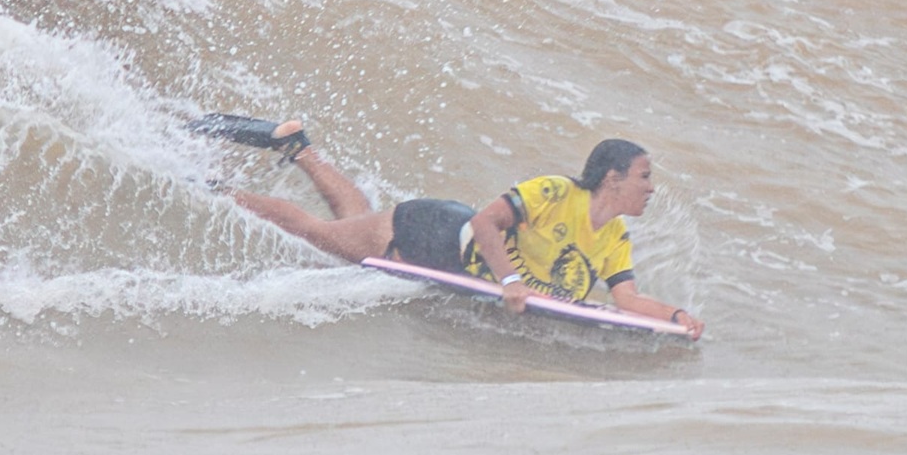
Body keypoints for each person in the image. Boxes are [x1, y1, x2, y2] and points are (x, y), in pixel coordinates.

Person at [190, 113, 705, 340]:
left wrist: (676, 315)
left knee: (357, 219)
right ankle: (212, 187)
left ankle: (298, 146)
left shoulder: (614, 236)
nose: (650, 188)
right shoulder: (555, 193)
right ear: (611, 179)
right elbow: (486, 221)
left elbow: (627, 300)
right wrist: (509, 281)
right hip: (431, 232)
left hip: (442, 240)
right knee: (322, 235)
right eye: (644, 177)